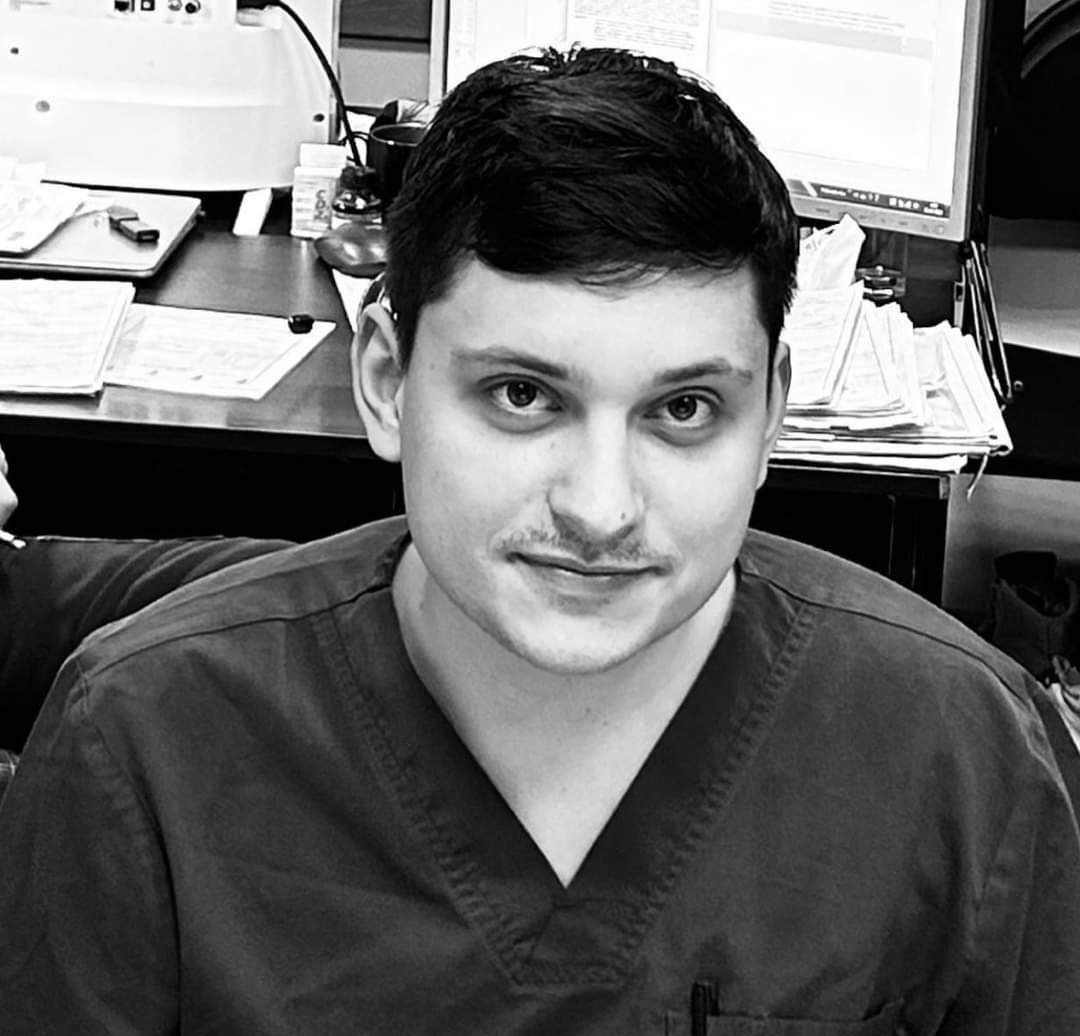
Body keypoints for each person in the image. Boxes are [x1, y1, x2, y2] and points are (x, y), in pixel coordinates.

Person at [0, 46, 1078, 1036]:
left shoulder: (965, 755)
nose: (601, 511)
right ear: (386, 379)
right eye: (523, 395)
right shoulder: (142, 746)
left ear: (770, 417)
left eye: (684, 410)